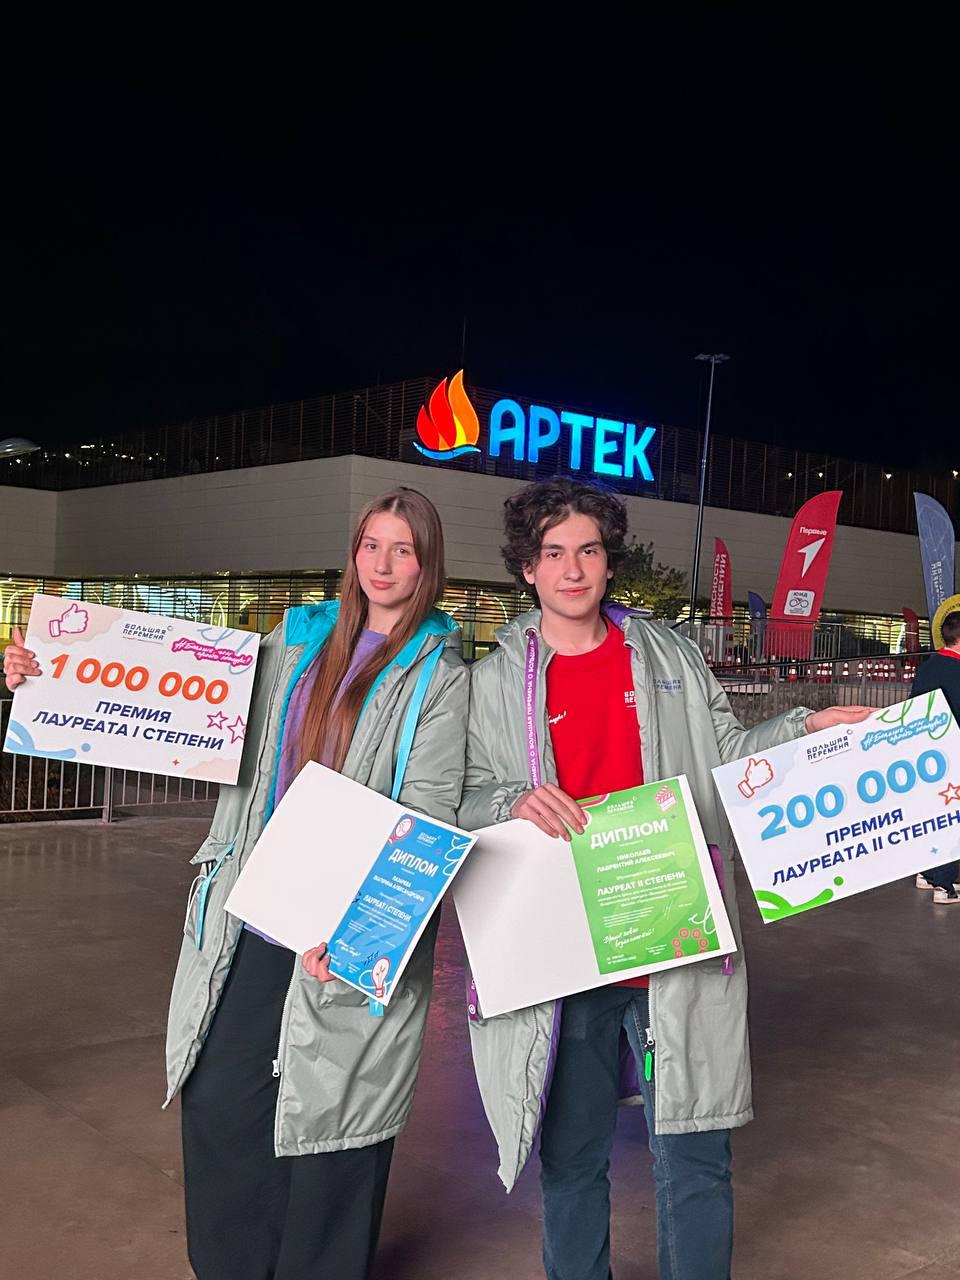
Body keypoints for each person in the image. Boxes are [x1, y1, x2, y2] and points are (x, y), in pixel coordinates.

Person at [3, 487, 469, 1280]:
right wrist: (47, 681)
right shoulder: (297, 639)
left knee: (337, 1109)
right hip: (256, 904)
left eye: (403, 550)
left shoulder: (440, 675)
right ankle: (234, 1266)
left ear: (427, 564)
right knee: (220, 1091)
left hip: (346, 920)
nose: (384, 564)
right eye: (371, 545)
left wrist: (364, 933)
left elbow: (426, 813)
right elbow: (172, 707)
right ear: (353, 552)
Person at [457, 477, 870, 1280]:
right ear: (527, 568)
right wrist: (510, 799)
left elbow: (727, 755)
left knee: (694, 1155)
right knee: (571, 1158)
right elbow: (460, 798)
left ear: (608, 562)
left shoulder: (668, 655)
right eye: (553, 553)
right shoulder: (492, 680)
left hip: (672, 933)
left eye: (588, 550)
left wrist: (805, 728)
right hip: (566, 955)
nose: (572, 569)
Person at [910, 610, 960, 904]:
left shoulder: (928, 666)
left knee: (932, 814)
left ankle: (927, 873)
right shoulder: (956, 671)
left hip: (928, 754)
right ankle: (945, 884)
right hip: (954, 753)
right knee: (953, 818)